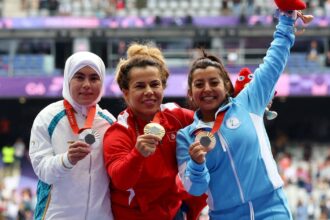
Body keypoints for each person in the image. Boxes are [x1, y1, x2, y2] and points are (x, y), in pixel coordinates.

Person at [176, 9, 297, 220]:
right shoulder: (186, 137)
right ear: (190, 93)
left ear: (226, 85)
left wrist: (286, 21)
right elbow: (194, 189)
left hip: (272, 209)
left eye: (214, 82)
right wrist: (196, 162)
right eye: (199, 84)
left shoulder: (248, 103)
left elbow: (273, 63)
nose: (207, 89)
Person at [103, 43, 206, 219]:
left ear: (163, 87)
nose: (149, 91)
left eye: (154, 84)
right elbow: (120, 181)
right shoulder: (119, 131)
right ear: (126, 93)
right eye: (140, 86)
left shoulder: (177, 116)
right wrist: (137, 154)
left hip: (173, 212)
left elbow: (213, 120)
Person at [29, 51, 116, 220]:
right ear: (68, 79)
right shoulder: (47, 117)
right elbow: (42, 170)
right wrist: (67, 159)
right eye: (79, 77)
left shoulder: (109, 122)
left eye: (94, 78)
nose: (86, 84)